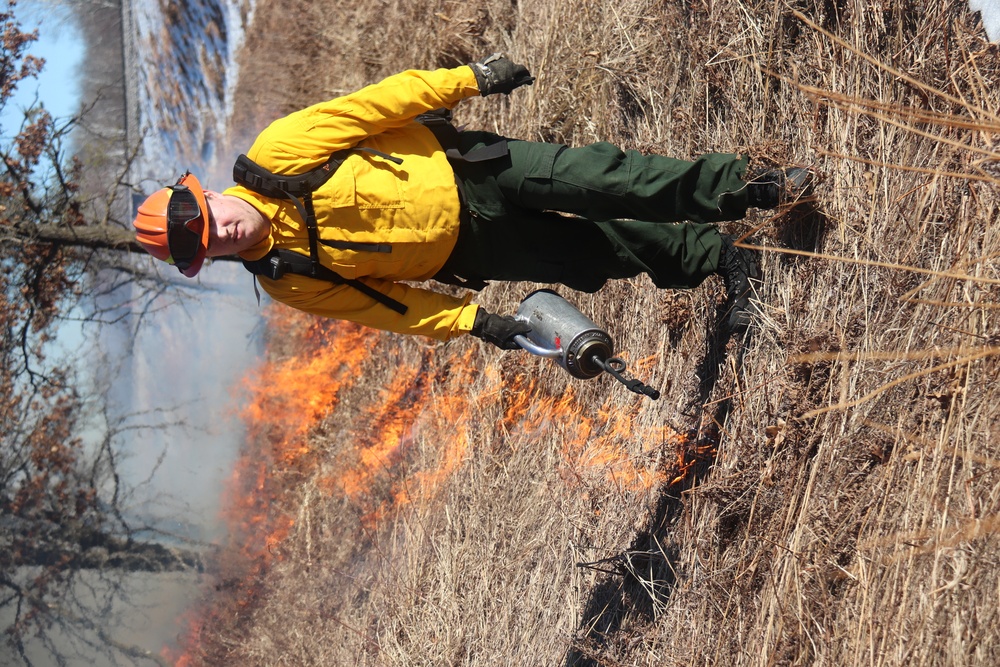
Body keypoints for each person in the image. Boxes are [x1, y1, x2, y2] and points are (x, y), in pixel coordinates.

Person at [133, 54, 813, 349]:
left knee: (607, 180)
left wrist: (472, 79)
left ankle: (749, 188)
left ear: (205, 193)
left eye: (198, 216)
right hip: (472, 249)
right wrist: (474, 322)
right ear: (206, 259)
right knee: (596, 254)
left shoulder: (279, 152)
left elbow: (380, 104)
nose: (214, 231)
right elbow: (388, 307)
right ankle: (722, 257)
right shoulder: (286, 279)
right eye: (198, 245)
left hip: (475, 170)